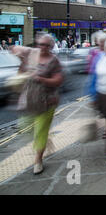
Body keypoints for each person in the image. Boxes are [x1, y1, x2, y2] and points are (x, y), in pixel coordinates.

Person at [10, 34, 64, 175]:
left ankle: (38, 160)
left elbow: (58, 80)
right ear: (37, 44)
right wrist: (18, 53)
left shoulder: (54, 61)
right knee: (24, 126)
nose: (43, 47)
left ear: (51, 47)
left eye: (47, 45)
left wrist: (41, 79)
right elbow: (14, 49)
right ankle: (45, 140)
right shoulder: (31, 54)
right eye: (41, 44)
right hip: (28, 99)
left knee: (40, 131)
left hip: (47, 101)